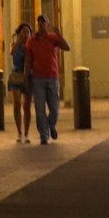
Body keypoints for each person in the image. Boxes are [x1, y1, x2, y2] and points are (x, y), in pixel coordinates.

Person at [24, 12, 70, 145]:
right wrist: (26, 78)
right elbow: (28, 61)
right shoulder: (32, 41)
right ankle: (44, 135)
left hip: (52, 77)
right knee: (39, 108)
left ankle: (51, 125)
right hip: (38, 78)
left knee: (54, 108)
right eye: (39, 22)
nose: (41, 24)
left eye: (43, 22)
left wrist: (59, 34)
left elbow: (67, 47)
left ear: (47, 24)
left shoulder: (53, 38)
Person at [8, 23, 32, 142]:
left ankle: (27, 133)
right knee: (17, 103)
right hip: (16, 75)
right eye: (23, 32)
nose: (25, 34)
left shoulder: (31, 45)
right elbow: (11, 53)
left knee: (26, 105)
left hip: (28, 76)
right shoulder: (15, 44)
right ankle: (19, 132)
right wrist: (18, 41)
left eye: (28, 32)